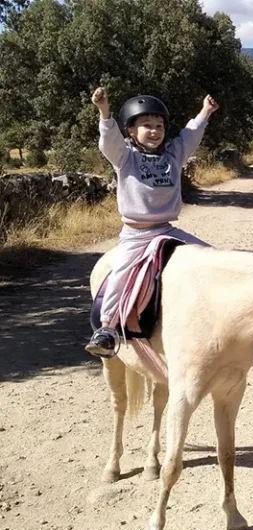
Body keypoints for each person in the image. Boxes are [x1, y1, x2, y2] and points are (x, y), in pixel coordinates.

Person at [85, 87, 218, 358]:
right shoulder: (125, 157)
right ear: (131, 131)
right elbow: (109, 141)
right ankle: (107, 329)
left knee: (213, 258)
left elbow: (190, 136)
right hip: (136, 233)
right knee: (121, 274)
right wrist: (104, 111)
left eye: (159, 125)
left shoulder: (172, 155)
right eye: (146, 125)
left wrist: (205, 111)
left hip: (167, 229)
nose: (155, 130)